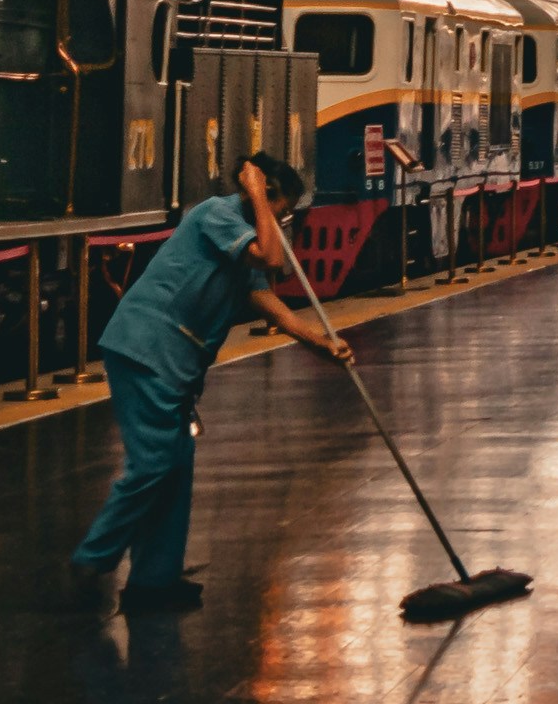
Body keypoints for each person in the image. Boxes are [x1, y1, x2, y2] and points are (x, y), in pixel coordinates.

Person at [67, 152, 349, 615]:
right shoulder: (218, 215)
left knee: (176, 464)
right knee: (154, 461)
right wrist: (259, 197)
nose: (283, 220)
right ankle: (92, 558)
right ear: (263, 193)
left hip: (173, 358)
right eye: (284, 209)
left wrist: (320, 343)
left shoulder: (252, 229)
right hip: (146, 348)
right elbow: (273, 259)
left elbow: (265, 298)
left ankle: (153, 581)